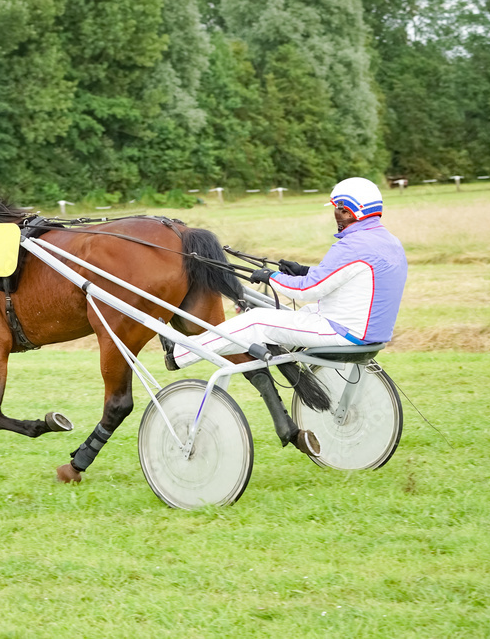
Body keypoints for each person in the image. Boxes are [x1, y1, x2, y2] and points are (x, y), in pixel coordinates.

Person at [161, 177, 408, 456]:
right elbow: (342, 277)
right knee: (287, 318)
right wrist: (302, 269)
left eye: (337, 209)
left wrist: (272, 276)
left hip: (344, 331)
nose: (334, 214)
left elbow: (309, 290)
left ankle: (180, 353)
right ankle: (277, 349)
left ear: (351, 211)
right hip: (370, 331)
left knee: (256, 321)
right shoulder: (387, 241)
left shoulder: (352, 246)